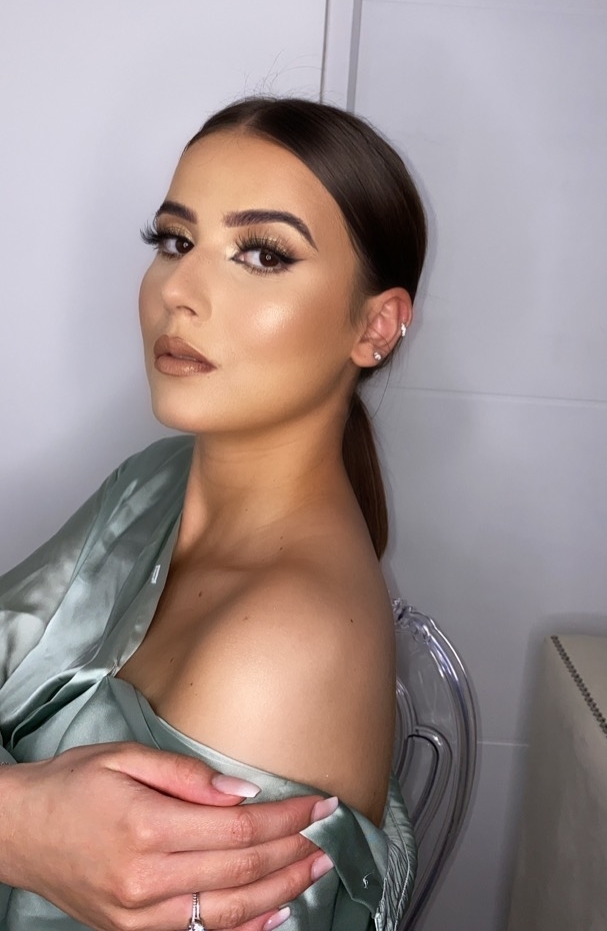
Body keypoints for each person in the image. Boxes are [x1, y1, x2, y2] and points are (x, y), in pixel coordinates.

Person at [0, 96, 426, 931]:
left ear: (375, 327)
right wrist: (21, 828)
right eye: (174, 241)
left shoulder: (279, 647)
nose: (179, 291)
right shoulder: (156, 485)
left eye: (262, 254)